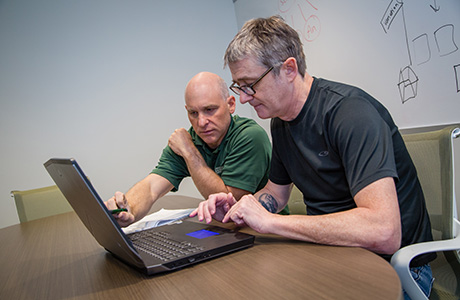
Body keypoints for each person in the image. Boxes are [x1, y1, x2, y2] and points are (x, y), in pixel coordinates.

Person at [191, 16, 435, 299]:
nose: (244, 98)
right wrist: (239, 210)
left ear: (289, 69)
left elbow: (383, 231)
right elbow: (276, 194)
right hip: (332, 255)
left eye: (250, 84)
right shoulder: (281, 121)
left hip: (392, 268)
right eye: (239, 86)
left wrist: (272, 223)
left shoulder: (351, 114)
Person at [106, 71, 273, 227]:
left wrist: (189, 152)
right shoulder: (188, 140)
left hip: (263, 233)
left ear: (230, 105)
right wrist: (129, 210)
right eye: (193, 113)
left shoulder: (250, 136)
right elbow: (151, 187)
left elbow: (227, 205)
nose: (201, 122)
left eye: (209, 110)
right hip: (224, 229)